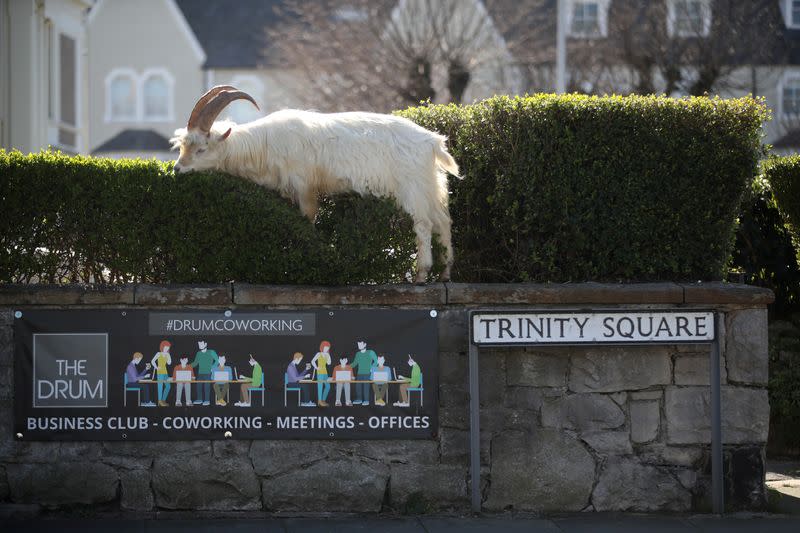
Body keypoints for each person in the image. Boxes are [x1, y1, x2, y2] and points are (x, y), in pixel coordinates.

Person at [190, 340, 218, 406]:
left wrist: (213, 367)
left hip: (208, 373)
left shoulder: (211, 352)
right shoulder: (198, 353)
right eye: (199, 344)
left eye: (201, 344)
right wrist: (187, 366)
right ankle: (199, 399)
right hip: (200, 373)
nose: (199, 345)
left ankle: (207, 400)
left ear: (205, 344)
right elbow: (195, 363)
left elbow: (217, 360)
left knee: (206, 386)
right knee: (198, 386)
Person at [350, 340, 377, 406]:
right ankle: (359, 399)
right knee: (358, 386)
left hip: (367, 373)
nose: (359, 346)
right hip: (359, 373)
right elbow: (354, 363)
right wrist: (346, 366)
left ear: (365, 344)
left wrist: (372, 368)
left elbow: (376, 360)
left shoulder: (370, 352)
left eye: (360, 344)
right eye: (358, 344)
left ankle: (366, 400)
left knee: (366, 386)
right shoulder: (358, 354)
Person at [151, 340, 172, 407]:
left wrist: (168, 355)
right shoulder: (158, 353)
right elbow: (152, 361)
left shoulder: (167, 354)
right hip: (160, 372)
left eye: (168, 347)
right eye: (166, 347)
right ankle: (159, 401)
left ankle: (163, 400)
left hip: (165, 372)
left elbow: (169, 363)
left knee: (168, 386)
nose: (167, 348)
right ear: (162, 346)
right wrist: (157, 367)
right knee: (160, 387)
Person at [311, 340, 333, 407]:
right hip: (320, 372)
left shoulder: (327, 355)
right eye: (325, 347)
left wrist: (328, 356)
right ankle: (319, 401)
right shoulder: (318, 354)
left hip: (325, 372)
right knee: (320, 387)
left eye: (328, 348)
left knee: (328, 386)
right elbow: (312, 361)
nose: (326, 349)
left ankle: (323, 400)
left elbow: (329, 363)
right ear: (322, 347)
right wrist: (317, 368)